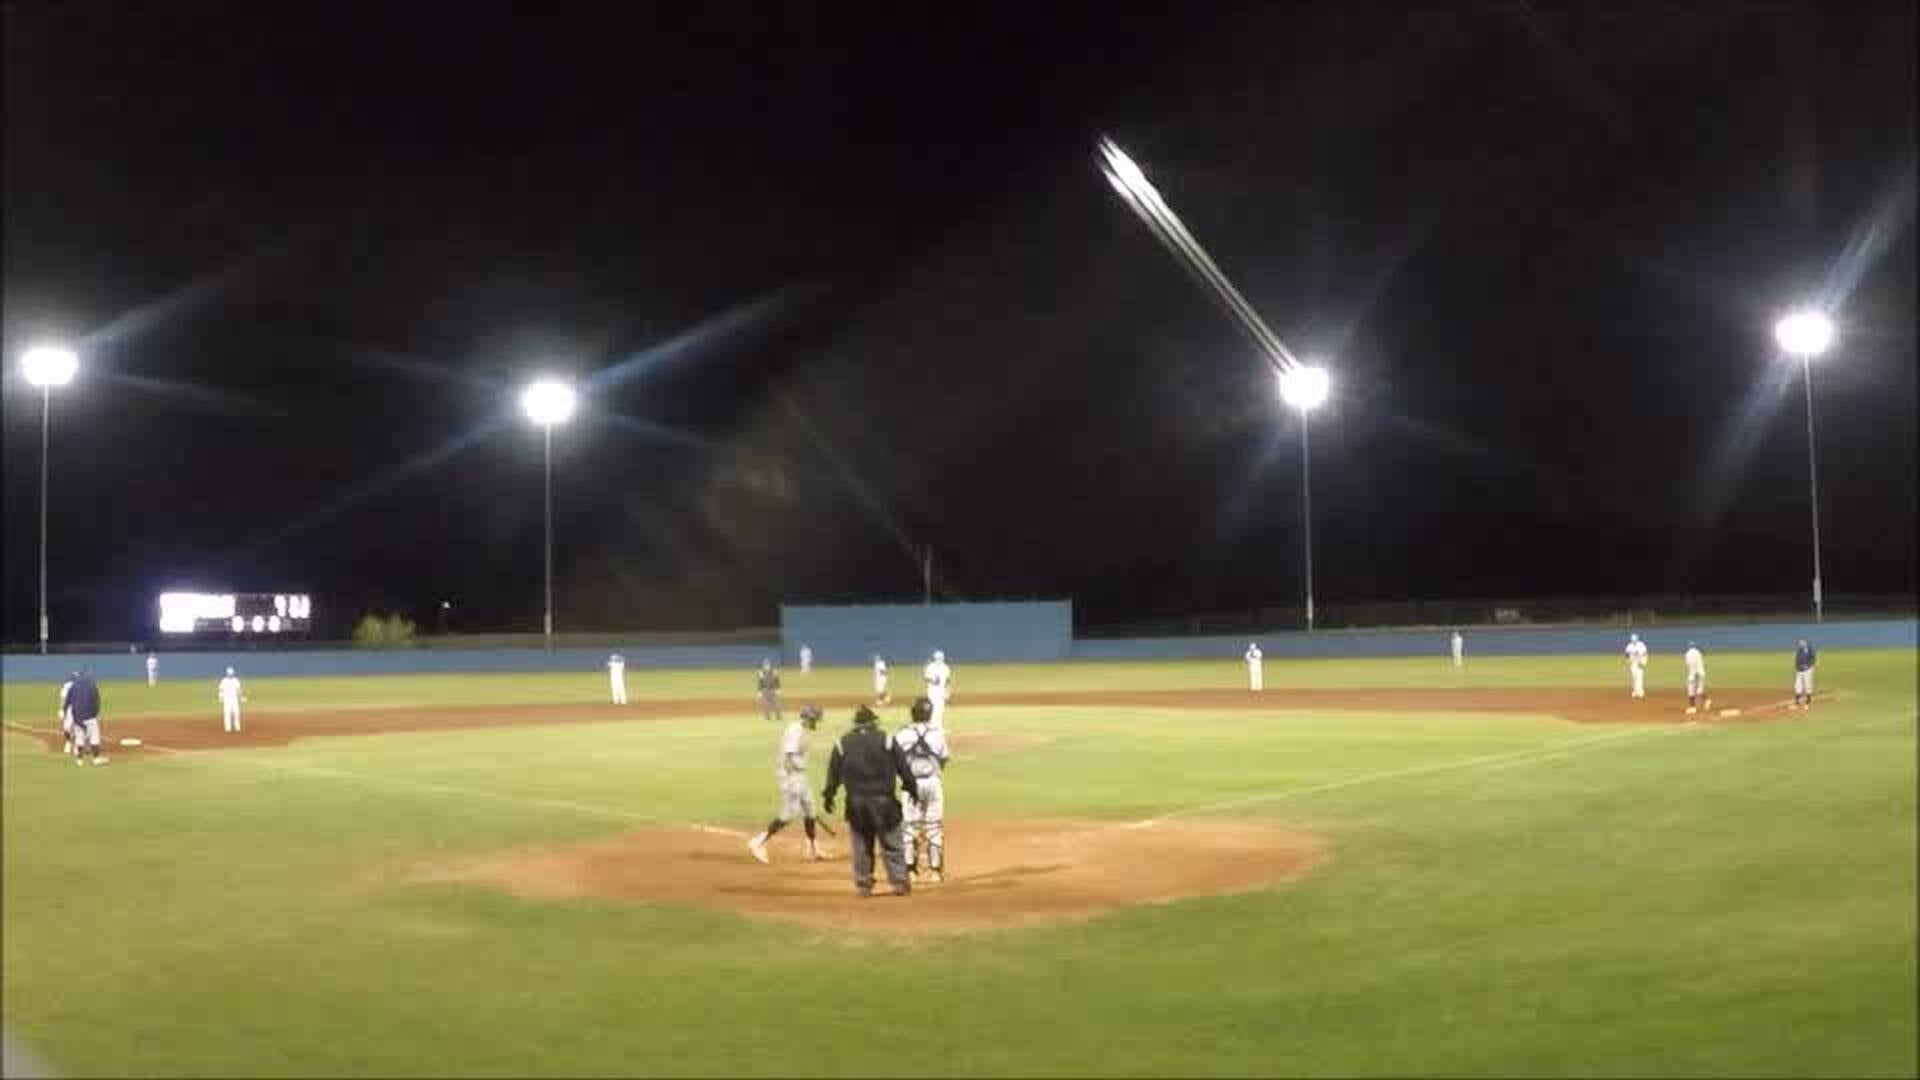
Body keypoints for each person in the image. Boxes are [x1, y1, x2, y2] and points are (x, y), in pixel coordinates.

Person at [822, 704, 919, 897]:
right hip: (884, 802)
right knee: (892, 842)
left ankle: (863, 885)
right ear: (874, 722)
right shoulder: (888, 740)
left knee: (861, 845)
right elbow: (904, 768)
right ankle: (899, 882)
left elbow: (833, 774)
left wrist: (829, 795)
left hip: (856, 804)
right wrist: (911, 788)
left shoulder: (843, 743)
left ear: (856, 724)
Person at [747, 704, 827, 864]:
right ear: (808, 717)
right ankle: (758, 842)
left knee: (810, 810)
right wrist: (794, 777)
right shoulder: (795, 730)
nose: (816, 722)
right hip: (791, 776)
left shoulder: (802, 730)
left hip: (800, 775)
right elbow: (790, 755)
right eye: (815, 719)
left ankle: (813, 848)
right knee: (790, 813)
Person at [894, 697, 951, 882]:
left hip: (910, 785)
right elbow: (944, 759)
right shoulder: (937, 734)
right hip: (932, 783)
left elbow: (894, 759)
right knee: (934, 826)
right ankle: (935, 872)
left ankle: (910, 872)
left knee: (909, 826)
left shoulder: (902, 734)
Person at [66, 668, 105, 765]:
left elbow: (68, 701)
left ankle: (79, 760)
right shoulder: (93, 686)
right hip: (89, 716)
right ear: (89, 677)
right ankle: (96, 759)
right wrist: (94, 714)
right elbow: (97, 702)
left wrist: (66, 712)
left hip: (77, 716)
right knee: (94, 737)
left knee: (79, 737)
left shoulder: (73, 686)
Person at [922, 649, 953, 728]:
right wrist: (932, 679)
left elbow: (948, 680)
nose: (939, 659)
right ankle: (931, 725)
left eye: (940, 658)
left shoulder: (946, 667)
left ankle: (938, 726)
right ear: (934, 658)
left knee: (941, 709)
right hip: (932, 691)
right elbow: (925, 678)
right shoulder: (930, 667)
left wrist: (948, 691)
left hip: (941, 691)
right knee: (934, 708)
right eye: (937, 658)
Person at [1683, 642, 1710, 715]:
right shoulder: (1698, 652)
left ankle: (1692, 707)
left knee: (1690, 690)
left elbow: (1689, 664)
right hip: (1701, 673)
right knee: (1699, 691)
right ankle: (1707, 700)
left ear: (1689, 647)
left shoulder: (1688, 653)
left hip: (1693, 674)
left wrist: (1693, 674)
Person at [1792, 639, 1818, 710]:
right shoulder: (1798, 651)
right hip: (1799, 671)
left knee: (1808, 685)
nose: (1800, 645)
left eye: (1802, 643)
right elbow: (1796, 661)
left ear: (1805, 643)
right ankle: (1797, 703)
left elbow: (1813, 659)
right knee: (1797, 686)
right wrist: (1797, 668)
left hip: (1808, 671)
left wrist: (1808, 665)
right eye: (1800, 644)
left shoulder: (1809, 649)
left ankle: (1807, 703)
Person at [218, 667, 246, 733]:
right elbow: (220, 689)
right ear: (227, 674)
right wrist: (220, 697)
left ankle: (237, 727)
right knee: (227, 714)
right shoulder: (224, 680)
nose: (230, 675)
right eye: (229, 674)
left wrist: (241, 697)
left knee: (236, 713)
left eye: (231, 674)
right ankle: (228, 728)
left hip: (234, 700)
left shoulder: (236, 680)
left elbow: (238, 690)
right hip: (227, 700)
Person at [756, 658, 782, 723]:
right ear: (763, 666)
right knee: (765, 704)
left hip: (773, 690)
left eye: (767, 665)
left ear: (770, 665)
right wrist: (759, 691)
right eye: (765, 665)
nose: (766, 666)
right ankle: (767, 717)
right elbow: (760, 682)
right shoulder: (761, 673)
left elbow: (777, 681)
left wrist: (779, 689)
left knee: (776, 703)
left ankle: (778, 717)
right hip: (765, 690)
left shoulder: (774, 671)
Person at [1623, 633, 1649, 699]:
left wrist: (1644, 662)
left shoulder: (1641, 645)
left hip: (1640, 662)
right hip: (1633, 663)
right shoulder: (1629, 645)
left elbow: (1645, 654)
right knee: (1634, 677)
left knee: (1639, 677)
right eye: (1632, 640)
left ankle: (1640, 692)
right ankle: (1635, 691)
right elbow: (1626, 654)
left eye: (1634, 640)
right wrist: (1627, 661)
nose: (1633, 641)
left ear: (1637, 639)